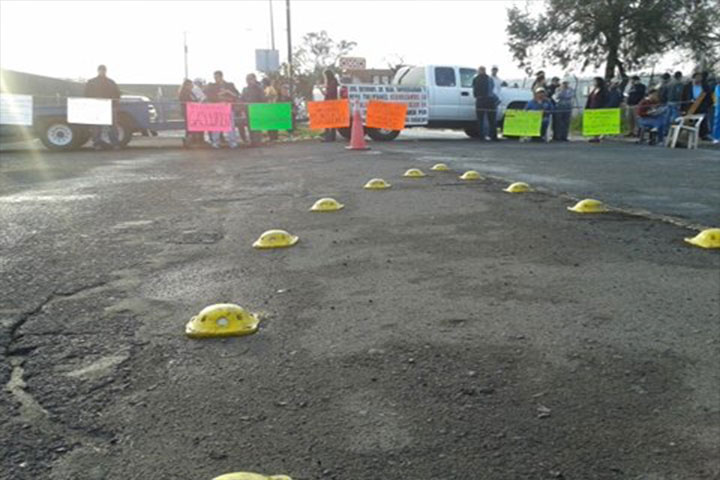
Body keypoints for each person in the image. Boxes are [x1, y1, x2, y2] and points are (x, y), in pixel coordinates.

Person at [84, 64, 121, 150]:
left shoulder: (111, 82)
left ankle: (115, 144)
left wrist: (116, 103)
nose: (102, 71)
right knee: (96, 127)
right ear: (98, 71)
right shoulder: (91, 82)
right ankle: (97, 144)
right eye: (101, 70)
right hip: (96, 107)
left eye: (104, 70)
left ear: (106, 71)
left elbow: (117, 94)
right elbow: (86, 94)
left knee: (113, 126)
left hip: (110, 106)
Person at [204, 70, 240, 149]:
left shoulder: (230, 85)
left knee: (230, 125)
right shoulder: (212, 86)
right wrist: (220, 96)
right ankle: (215, 142)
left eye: (217, 77)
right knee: (216, 125)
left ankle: (232, 142)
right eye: (214, 77)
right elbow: (209, 96)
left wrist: (228, 92)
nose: (215, 79)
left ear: (221, 76)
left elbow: (237, 95)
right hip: (217, 108)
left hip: (228, 107)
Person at [681, 71, 712, 139]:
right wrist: (682, 109)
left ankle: (703, 135)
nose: (698, 79)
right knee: (689, 121)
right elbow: (683, 97)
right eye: (697, 77)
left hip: (702, 106)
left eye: (700, 78)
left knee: (703, 121)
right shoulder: (687, 86)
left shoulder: (705, 87)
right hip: (690, 106)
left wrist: (707, 105)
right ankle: (686, 136)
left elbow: (709, 97)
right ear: (693, 78)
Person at [472, 66, 498, 141]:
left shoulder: (476, 79)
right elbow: (491, 89)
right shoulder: (489, 79)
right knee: (492, 119)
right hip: (489, 100)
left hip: (480, 100)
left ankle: (481, 136)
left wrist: (477, 96)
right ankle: (493, 136)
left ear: (479, 71)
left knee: (480, 119)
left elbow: (474, 90)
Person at [241, 73, 266, 146]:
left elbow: (263, 99)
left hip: (257, 110)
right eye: (247, 79)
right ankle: (252, 141)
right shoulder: (245, 89)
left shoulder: (259, 88)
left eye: (250, 79)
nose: (248, 81)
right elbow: (242, 99)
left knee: (257, 127)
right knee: (250, 126)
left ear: (254, 79)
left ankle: (258, 142)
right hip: (248, 110)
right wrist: (243, 105)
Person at [178, 79, 205, 146]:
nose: (192, 86)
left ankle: (192, 140)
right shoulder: (184, 93)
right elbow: (187, 101)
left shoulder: (190, 92)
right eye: (190, 85)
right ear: (186, 85)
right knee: (190, 127)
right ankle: (189, 140)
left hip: (193, 111)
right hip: (187, 111)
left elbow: (194, 99)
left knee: (192, 126)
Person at [585, 77, 608, 143]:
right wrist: (587, 107)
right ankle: (594, 136)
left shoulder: (604, 90)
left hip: (599, 108)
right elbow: (590, 98)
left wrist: (604, 107)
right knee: (594, 123)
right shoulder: (594, 89)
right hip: (592, 108)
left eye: (595, 81)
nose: (593, 83)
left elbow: (605, 99)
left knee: (599, 123)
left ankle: (597, 136)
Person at [321, 69, 339, 142]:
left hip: (331, 103)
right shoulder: (332, 82)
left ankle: (329, 136)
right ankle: (330, 136)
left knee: (329, 120)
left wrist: (322, 89)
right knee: (330, 120)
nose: (324, 78)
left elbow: (329, 93)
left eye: (325, 76)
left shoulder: (332, 83)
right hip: (330, 102)